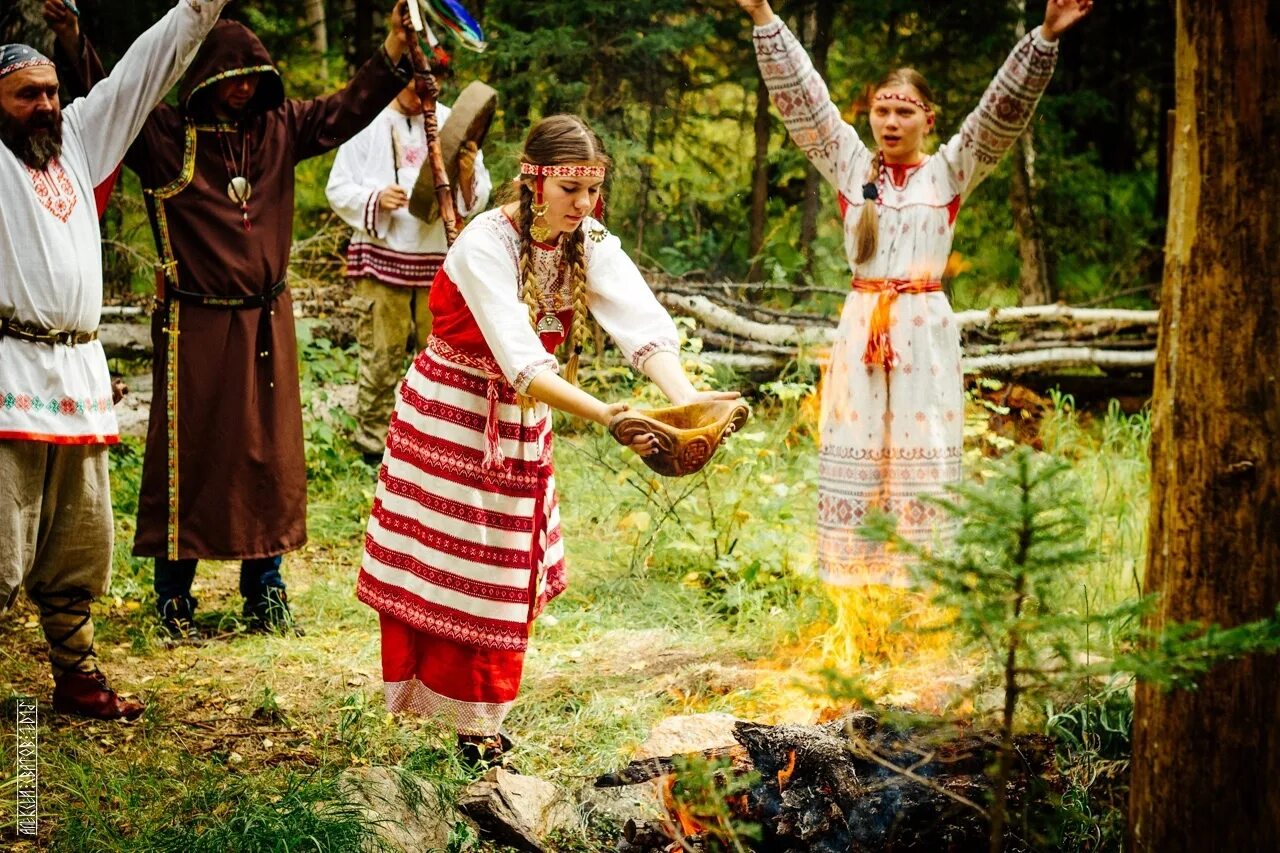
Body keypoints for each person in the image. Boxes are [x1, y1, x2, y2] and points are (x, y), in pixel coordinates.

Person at [356, 114, 739, 764]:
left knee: (506, 572)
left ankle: (482, 719)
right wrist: (611, 416)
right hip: (451, 417)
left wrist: (687, 403)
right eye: (571, 190)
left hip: (519, 424)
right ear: (534, 182)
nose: (584, 205)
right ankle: (470, 727)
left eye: (592, 191)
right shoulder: (486, 243)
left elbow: (640, 319)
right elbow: (524, 361)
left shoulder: (585, 240)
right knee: (458, 570)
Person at [45, 1, 416, 639]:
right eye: (230, 74)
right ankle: (171, 599)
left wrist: (392, 51)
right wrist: (76, 43)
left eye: (252, 75)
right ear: (206, 76)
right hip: (196, 326)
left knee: (265, 457)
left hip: (267, 321)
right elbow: (113, 104)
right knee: (189, 455)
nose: (243, 85)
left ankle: (264, 594)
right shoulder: (166, 138)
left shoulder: (282, 127)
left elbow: (349, 106)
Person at [736, 1, 1092, 626]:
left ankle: (922, 599)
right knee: (856, 444)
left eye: (905, 111)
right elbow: (805, 101)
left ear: (928, 118)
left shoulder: (950, 171)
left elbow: (998, 117)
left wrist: (1043, 38)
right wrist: (764, 13)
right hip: (861, 326)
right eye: (881, 110)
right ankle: (857, 598)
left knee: (920, 451)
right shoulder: (849, 164)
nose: (891, 121)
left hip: (925, 332)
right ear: (869, 114)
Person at [0, 0, 231, 720]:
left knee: (79, 543)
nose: (44, 105)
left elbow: (147, 65)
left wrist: (202, 7)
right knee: (0, 544)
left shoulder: (76, 141)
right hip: (6, 371)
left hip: (77, 378)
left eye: (50, 92)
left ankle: (75, 674)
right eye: (25, 95)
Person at [326, 73, 492, 465]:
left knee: (438, 361)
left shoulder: (453, 122)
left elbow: (478, 196)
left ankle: (433, 445)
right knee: (380, 359)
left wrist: (466, 175)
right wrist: (376, 198)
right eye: (410, 88)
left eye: (427, 89)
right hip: (383, 264)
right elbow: (338, 188)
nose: (420, 98)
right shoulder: (366, 123)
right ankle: (371, 447)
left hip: (436, 263)